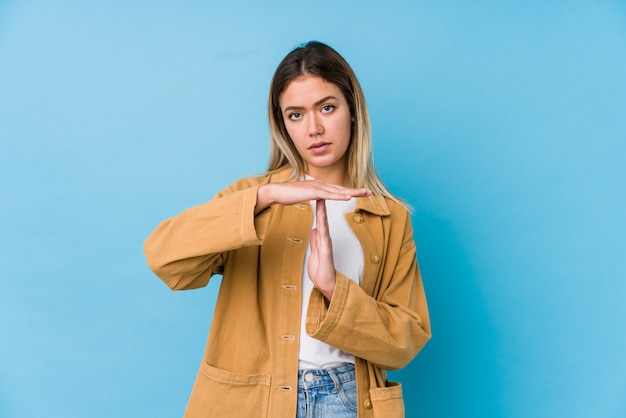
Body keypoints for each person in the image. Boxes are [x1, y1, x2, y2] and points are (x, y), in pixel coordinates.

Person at [144, 41, 431, 418]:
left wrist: (333, 288)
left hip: (346, 399)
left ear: (353, 112)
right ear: (282, 124)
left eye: (327, 108)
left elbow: (404, 342)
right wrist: (265, 195)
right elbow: (166, 259)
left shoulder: (389, 217)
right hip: (251, 403)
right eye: (295, 115)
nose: (314, 128)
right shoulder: (251, 200)